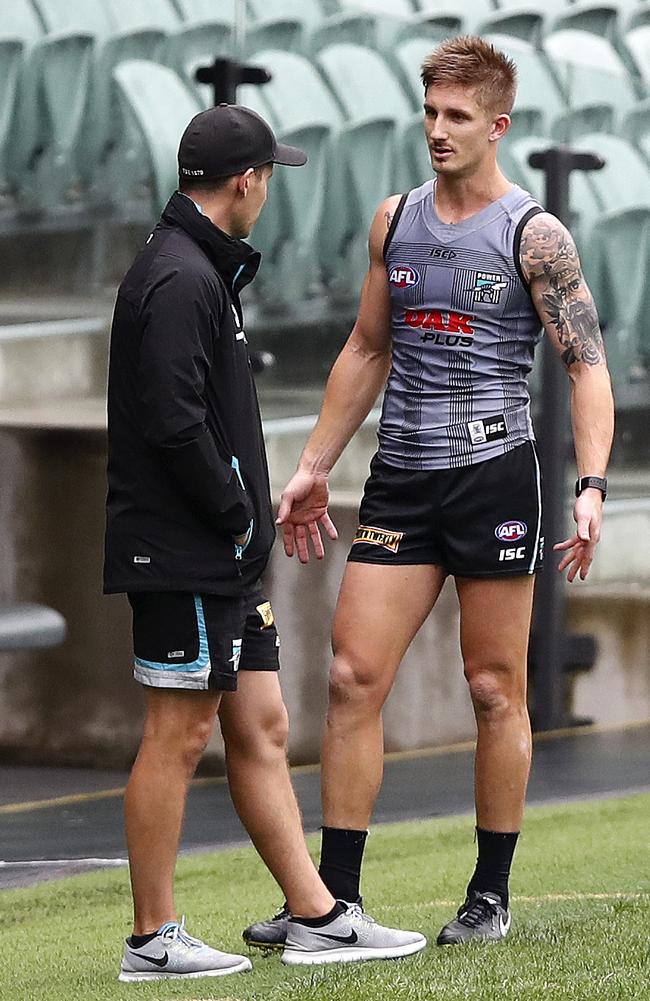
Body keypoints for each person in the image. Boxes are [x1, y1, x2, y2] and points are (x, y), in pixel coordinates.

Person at [243, 36, 615, 950]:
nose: (438, 131)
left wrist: (593, 484)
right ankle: (335, 904)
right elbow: (367, 349)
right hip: (401, 479)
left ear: (498, 124)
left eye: (457, 117)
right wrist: (315, 463)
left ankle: (489, 894)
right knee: (349, 676)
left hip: (495, 481)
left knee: (493, 687)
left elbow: (587, 365)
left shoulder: (536, 235)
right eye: (429, 112)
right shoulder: (394, 220)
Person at [104, 104, 426, 982]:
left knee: (264, 724)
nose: (270, 189)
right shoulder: (180, 276)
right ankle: (152, 937)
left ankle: (317, 913)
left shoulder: (201, 268)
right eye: (269, 176)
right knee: (177, 730)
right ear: (247, 181)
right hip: (187, 549)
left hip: (218, 553)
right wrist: (237, 513)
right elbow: (173, 424)